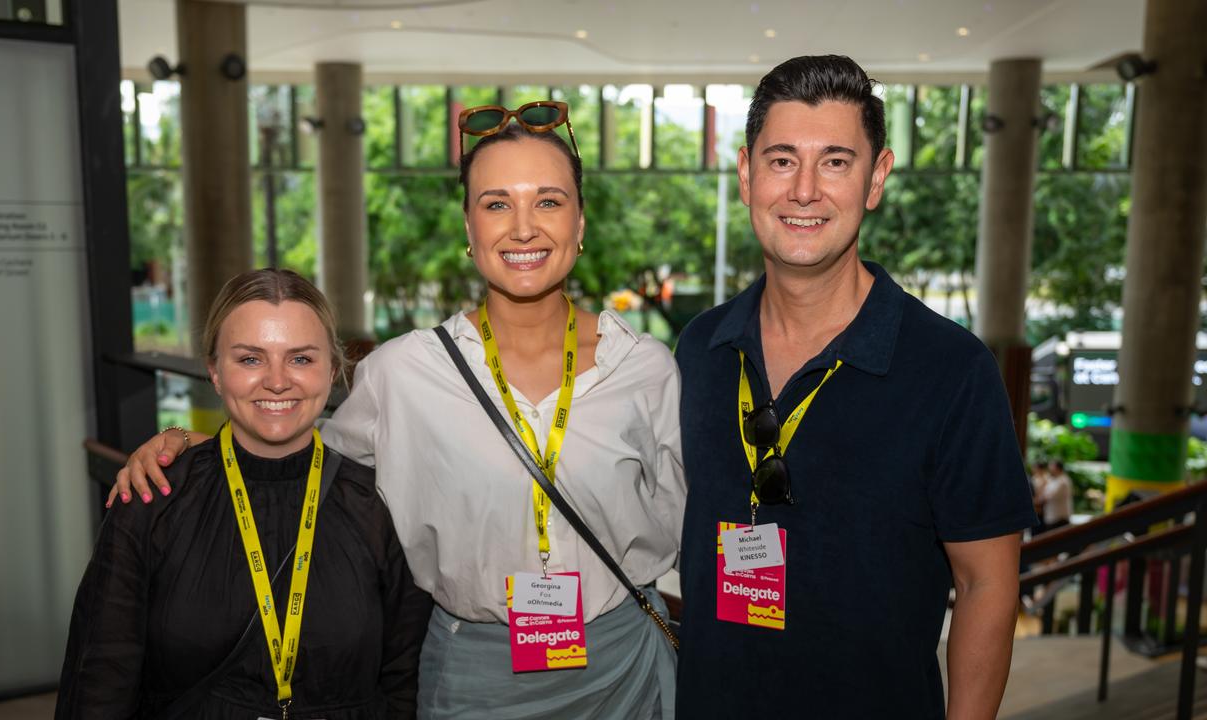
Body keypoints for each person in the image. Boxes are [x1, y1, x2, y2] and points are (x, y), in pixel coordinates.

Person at [110, 105, 684, 718]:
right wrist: (186, 440)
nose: (524, 228)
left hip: (624, 666)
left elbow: (687, 514)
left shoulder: (644, 368)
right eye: (496, 204)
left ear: (579, 222)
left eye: (548, 201)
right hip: (472, 677)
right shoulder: (404, 372)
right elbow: (314, 461)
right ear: (468, 228)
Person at [673, 56, 1036, 718]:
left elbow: (986, 581)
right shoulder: (700, 348)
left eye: (836, 162)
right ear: (746, 174)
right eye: (782, 160)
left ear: (876, 179)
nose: (804, 190)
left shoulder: (952, 369)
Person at [58, 269, 432, 718]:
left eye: (300, 359)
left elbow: (405, 679)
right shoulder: (153, 499)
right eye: (250, 359)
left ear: (332, 370)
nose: (277, 381)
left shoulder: (379, 504)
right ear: (215, 372)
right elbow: (100, 678)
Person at [1037, 460, 1074, 532]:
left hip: (1059, 518)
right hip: (1052, 517)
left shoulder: (1063, 481)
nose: (1049, 469)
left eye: (1051, 467)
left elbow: (1047, 496)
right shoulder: (1052, 479)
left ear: (1058, 468)